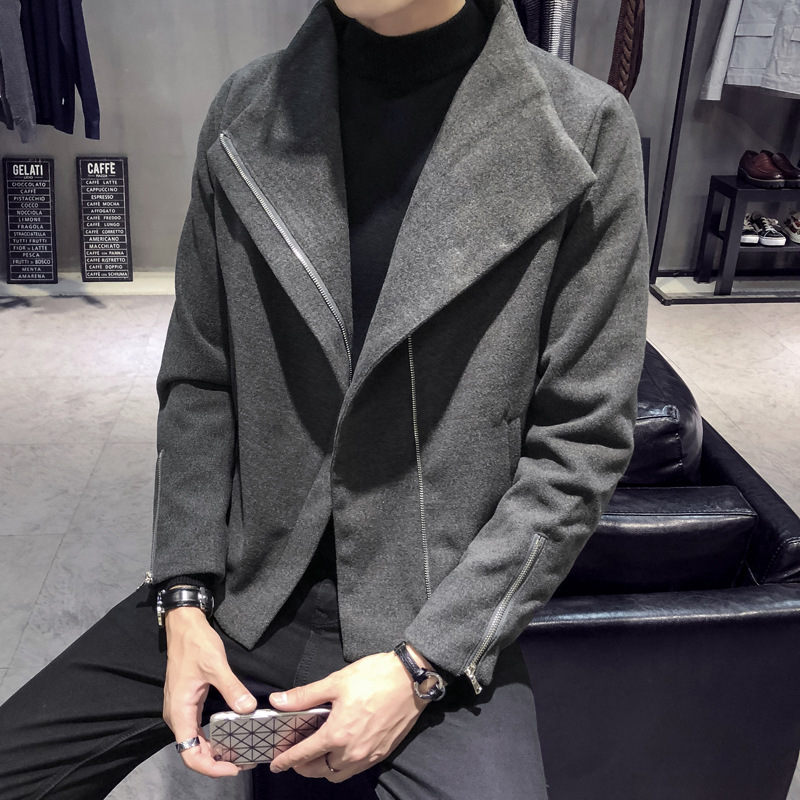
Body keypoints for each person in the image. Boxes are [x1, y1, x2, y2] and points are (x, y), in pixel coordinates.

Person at [0, 0, 649, 797]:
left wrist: (423, 666)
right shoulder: (246, 113)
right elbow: (201, 379)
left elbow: (580, 444)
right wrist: (184, 597)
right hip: (242, 587)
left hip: (431, 605)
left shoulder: (584, 132)